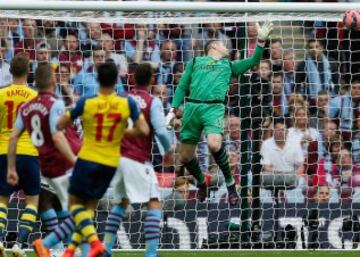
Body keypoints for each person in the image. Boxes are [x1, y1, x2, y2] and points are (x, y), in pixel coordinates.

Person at [166, 21, 273, 206]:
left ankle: (231, 184)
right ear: (214, 46)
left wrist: (261, 40)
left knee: (214, 145)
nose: (227, 46)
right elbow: (183, 86)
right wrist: (172, 110)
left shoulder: (229, 65)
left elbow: (254, 60)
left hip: (214, 108)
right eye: (223, 44)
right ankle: (201, 182)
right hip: (192, 108)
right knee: (184, 157)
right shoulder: (194, 62)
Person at [56, 61, 149, 257]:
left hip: (88, 157)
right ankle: (71, 250)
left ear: (97, 79)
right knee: (90, 207)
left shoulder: (87, 101)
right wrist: (123, 132)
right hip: (110, 162)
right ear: (117, 80)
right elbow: (144, 129)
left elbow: (60, 124)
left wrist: (71, 113)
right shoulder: (127, 102)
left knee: (74, 204)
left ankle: (95, 243)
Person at [8, 64, 80, 257]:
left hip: (41, 162)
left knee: (48, 202)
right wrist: (74, 160)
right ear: (54, 80)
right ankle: (56, 245)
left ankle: (62, 248)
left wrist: (11, 167)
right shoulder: (54, 103)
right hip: (58, 161)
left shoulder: (26, 106)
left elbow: (13, 136)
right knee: (80, 207)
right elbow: (57, 136)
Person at [102, 63, 172, 257]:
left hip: (117, 158)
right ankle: (150, 254)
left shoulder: (121, 98)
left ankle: (106, 249)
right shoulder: (153, 101)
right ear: (152, 80)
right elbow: (160, 130)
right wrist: (168, 150)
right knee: (154, 201)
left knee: (121, 203)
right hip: (137, 159)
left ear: (132, 78)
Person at [1, 53, 39, 257]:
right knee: (32, 201)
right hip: (29, 152)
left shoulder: (0, 94)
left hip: (4, 151)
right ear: (28, 71)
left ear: (10, 71)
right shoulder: (35, 97)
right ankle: (19, 244)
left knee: (2, 200)